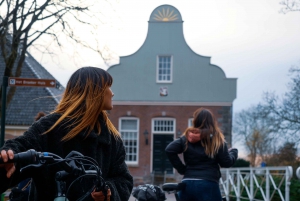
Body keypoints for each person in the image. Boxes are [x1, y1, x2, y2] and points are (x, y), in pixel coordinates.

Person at [0, 67, 133, 201]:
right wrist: (8, 159)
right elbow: (21, 147)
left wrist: (108, 191)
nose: (112, 93)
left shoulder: (111, 138)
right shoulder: (49, 128)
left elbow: (123, 180)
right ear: (94, 92)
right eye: (108, 87)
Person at [165, 107, 238, 201]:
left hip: (187, 183)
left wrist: (182, 169)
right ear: (212, 122)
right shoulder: (217, 139)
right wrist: (234, 152)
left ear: (195, 121)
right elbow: (226, 162)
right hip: (208, 184)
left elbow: (169, 149)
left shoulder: (186, 138)